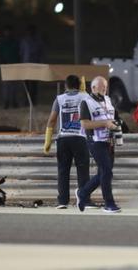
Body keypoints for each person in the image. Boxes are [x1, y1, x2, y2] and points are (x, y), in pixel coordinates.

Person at [44, 75, 93, 209]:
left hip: (63, 139)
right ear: (79, 85)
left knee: (63, 171)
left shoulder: (59, 99)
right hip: (80, 137)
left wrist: (48, 139)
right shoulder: (85, 97)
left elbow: (52, 120)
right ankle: (84, 199)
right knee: (83, 170)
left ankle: (62, 201)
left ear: (66, 85)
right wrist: (85, 92)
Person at [75, 76, 122, 213]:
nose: (105, 89)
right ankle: (109, 203)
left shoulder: (107, 99)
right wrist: (105, 124)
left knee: (104, 172)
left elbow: (113, 116)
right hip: (95, 141)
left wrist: (118, 123)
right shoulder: (86, 102)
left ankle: (83, 193)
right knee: (106, 171)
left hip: (109, 140)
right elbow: (84, 124)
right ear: (93, 87)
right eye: (102, 87)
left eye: (106, 87)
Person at [19, 24, 44, 105]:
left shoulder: (38, 41)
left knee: (34, 85)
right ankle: (27, 101)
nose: (30, 32)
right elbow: (21, 53)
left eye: (32, 30)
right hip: (26, 65)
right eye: (29, 30)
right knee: (26, 85)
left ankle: (33, 101)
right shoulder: (24, 41)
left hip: (35, 65)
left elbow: (41, 53)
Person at [0, 25, 20, 109]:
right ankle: (6, 102)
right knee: (6, 85)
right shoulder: (2, 42)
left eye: (9, 31)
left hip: (14, 65)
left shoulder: (15, 41)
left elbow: (18, 53)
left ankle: (14, 101)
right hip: (5, 65)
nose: (8, 33)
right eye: (6, 31)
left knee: (14, 85)